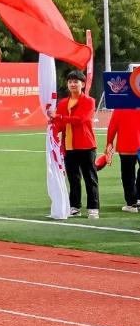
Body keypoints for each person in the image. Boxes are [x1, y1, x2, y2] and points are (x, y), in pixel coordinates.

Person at [49, 70, 99, 219]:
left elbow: (80, 119)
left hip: (86, 145)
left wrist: (58, 116)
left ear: (82, 84)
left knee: (90, 178)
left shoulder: (89, 101)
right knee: (73, 178)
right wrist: (53, 125)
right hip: (69, 146)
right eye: (70, 81)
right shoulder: (63, 102)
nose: (72, 84)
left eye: (75, 81)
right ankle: (75, 206)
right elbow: (60, 123)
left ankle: (93, 207)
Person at [104, 106, 140, 212]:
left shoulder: (120, 107)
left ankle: (131, 203)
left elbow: (112, 126)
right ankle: (138, 198)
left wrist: (109, 142)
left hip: (126, 145)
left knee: (128, 175)